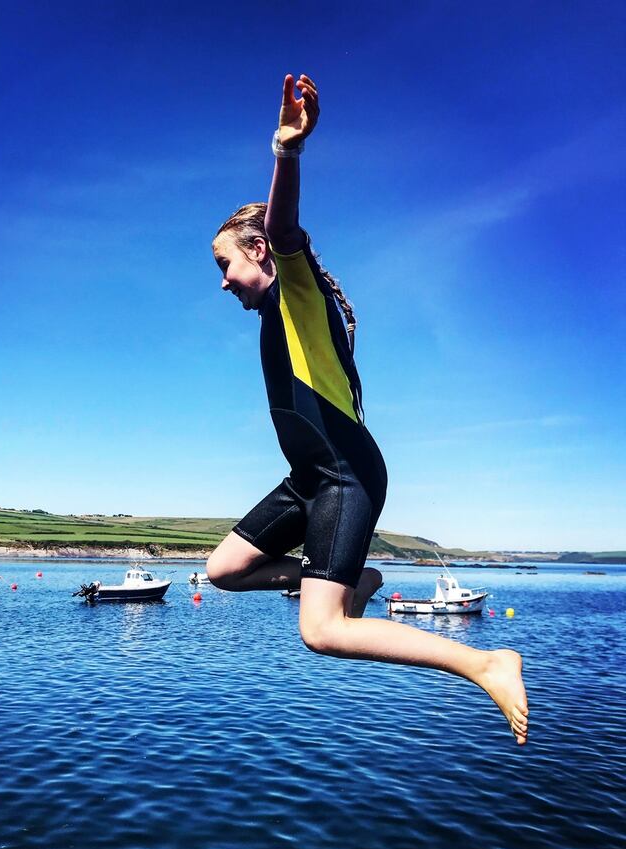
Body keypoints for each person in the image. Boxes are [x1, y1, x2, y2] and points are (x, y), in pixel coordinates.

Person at [207, 73, 529, 745]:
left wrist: (286, 150)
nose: (222, 281)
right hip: (311, 478)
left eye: (225, 264)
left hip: (346, 473)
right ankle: (354, 578)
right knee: (224, 570)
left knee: (322, 632)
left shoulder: (295, 291)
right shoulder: (279, 311)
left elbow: (284, 224)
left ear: (258, 252)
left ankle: (485, 660)